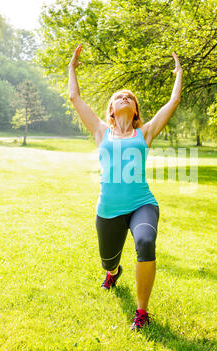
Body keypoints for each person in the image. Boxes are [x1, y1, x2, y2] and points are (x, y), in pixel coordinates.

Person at [68, 44, 183, 330]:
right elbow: (74, 97)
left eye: (129, 97)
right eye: (118, 96)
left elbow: (173, 102)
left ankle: (141, 312)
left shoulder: (145, 133)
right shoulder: (100, 130)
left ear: (135, 111)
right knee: (108, 260)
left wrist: (178, 73)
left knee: (145, 242)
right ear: (110, 109)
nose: (124, 97)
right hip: (108, 209)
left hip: (142, 203)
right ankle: (113, 271)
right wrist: (71, 69)